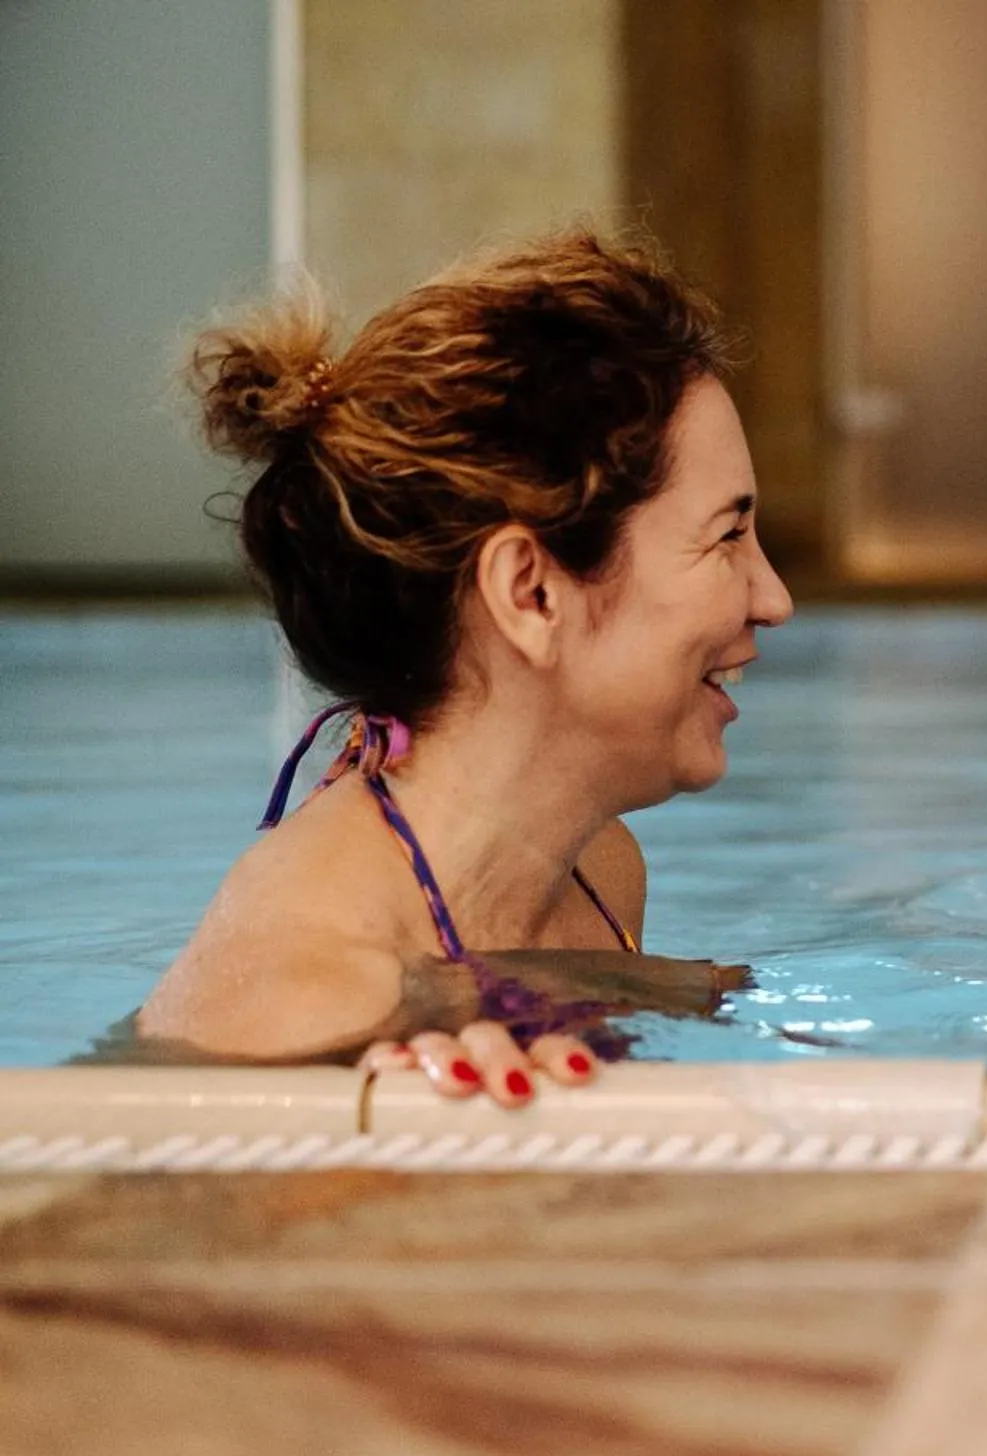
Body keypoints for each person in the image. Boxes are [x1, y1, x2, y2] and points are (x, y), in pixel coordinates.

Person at [138, 231, 793, 1102]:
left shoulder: (600, 872)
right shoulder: (299, 996)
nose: (774, 597)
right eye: (727, 536)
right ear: (530, 592)